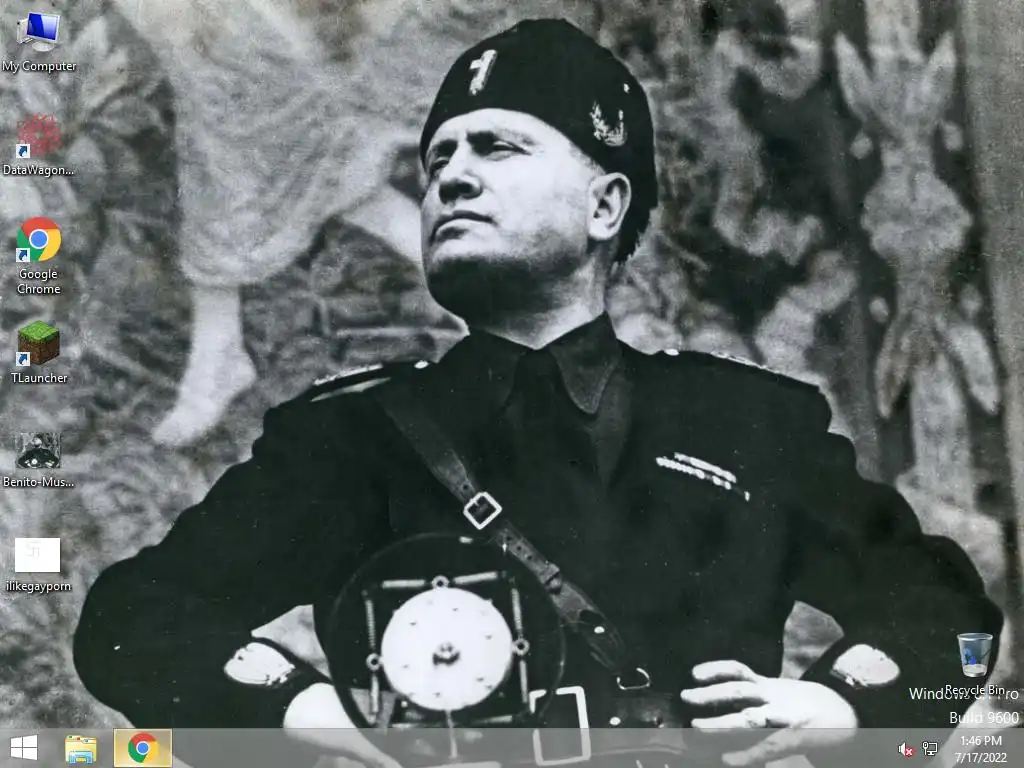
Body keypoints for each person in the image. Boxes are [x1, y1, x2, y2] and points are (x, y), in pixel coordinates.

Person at [75, 18, 1003, 768]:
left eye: (497, 147)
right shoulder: (350, 440)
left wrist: (843, 705)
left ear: (604, 207)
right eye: (438, 162)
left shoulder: (742, 423)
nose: (452, 178)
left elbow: (943, 606)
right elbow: (133, 620)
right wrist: (303, 710)